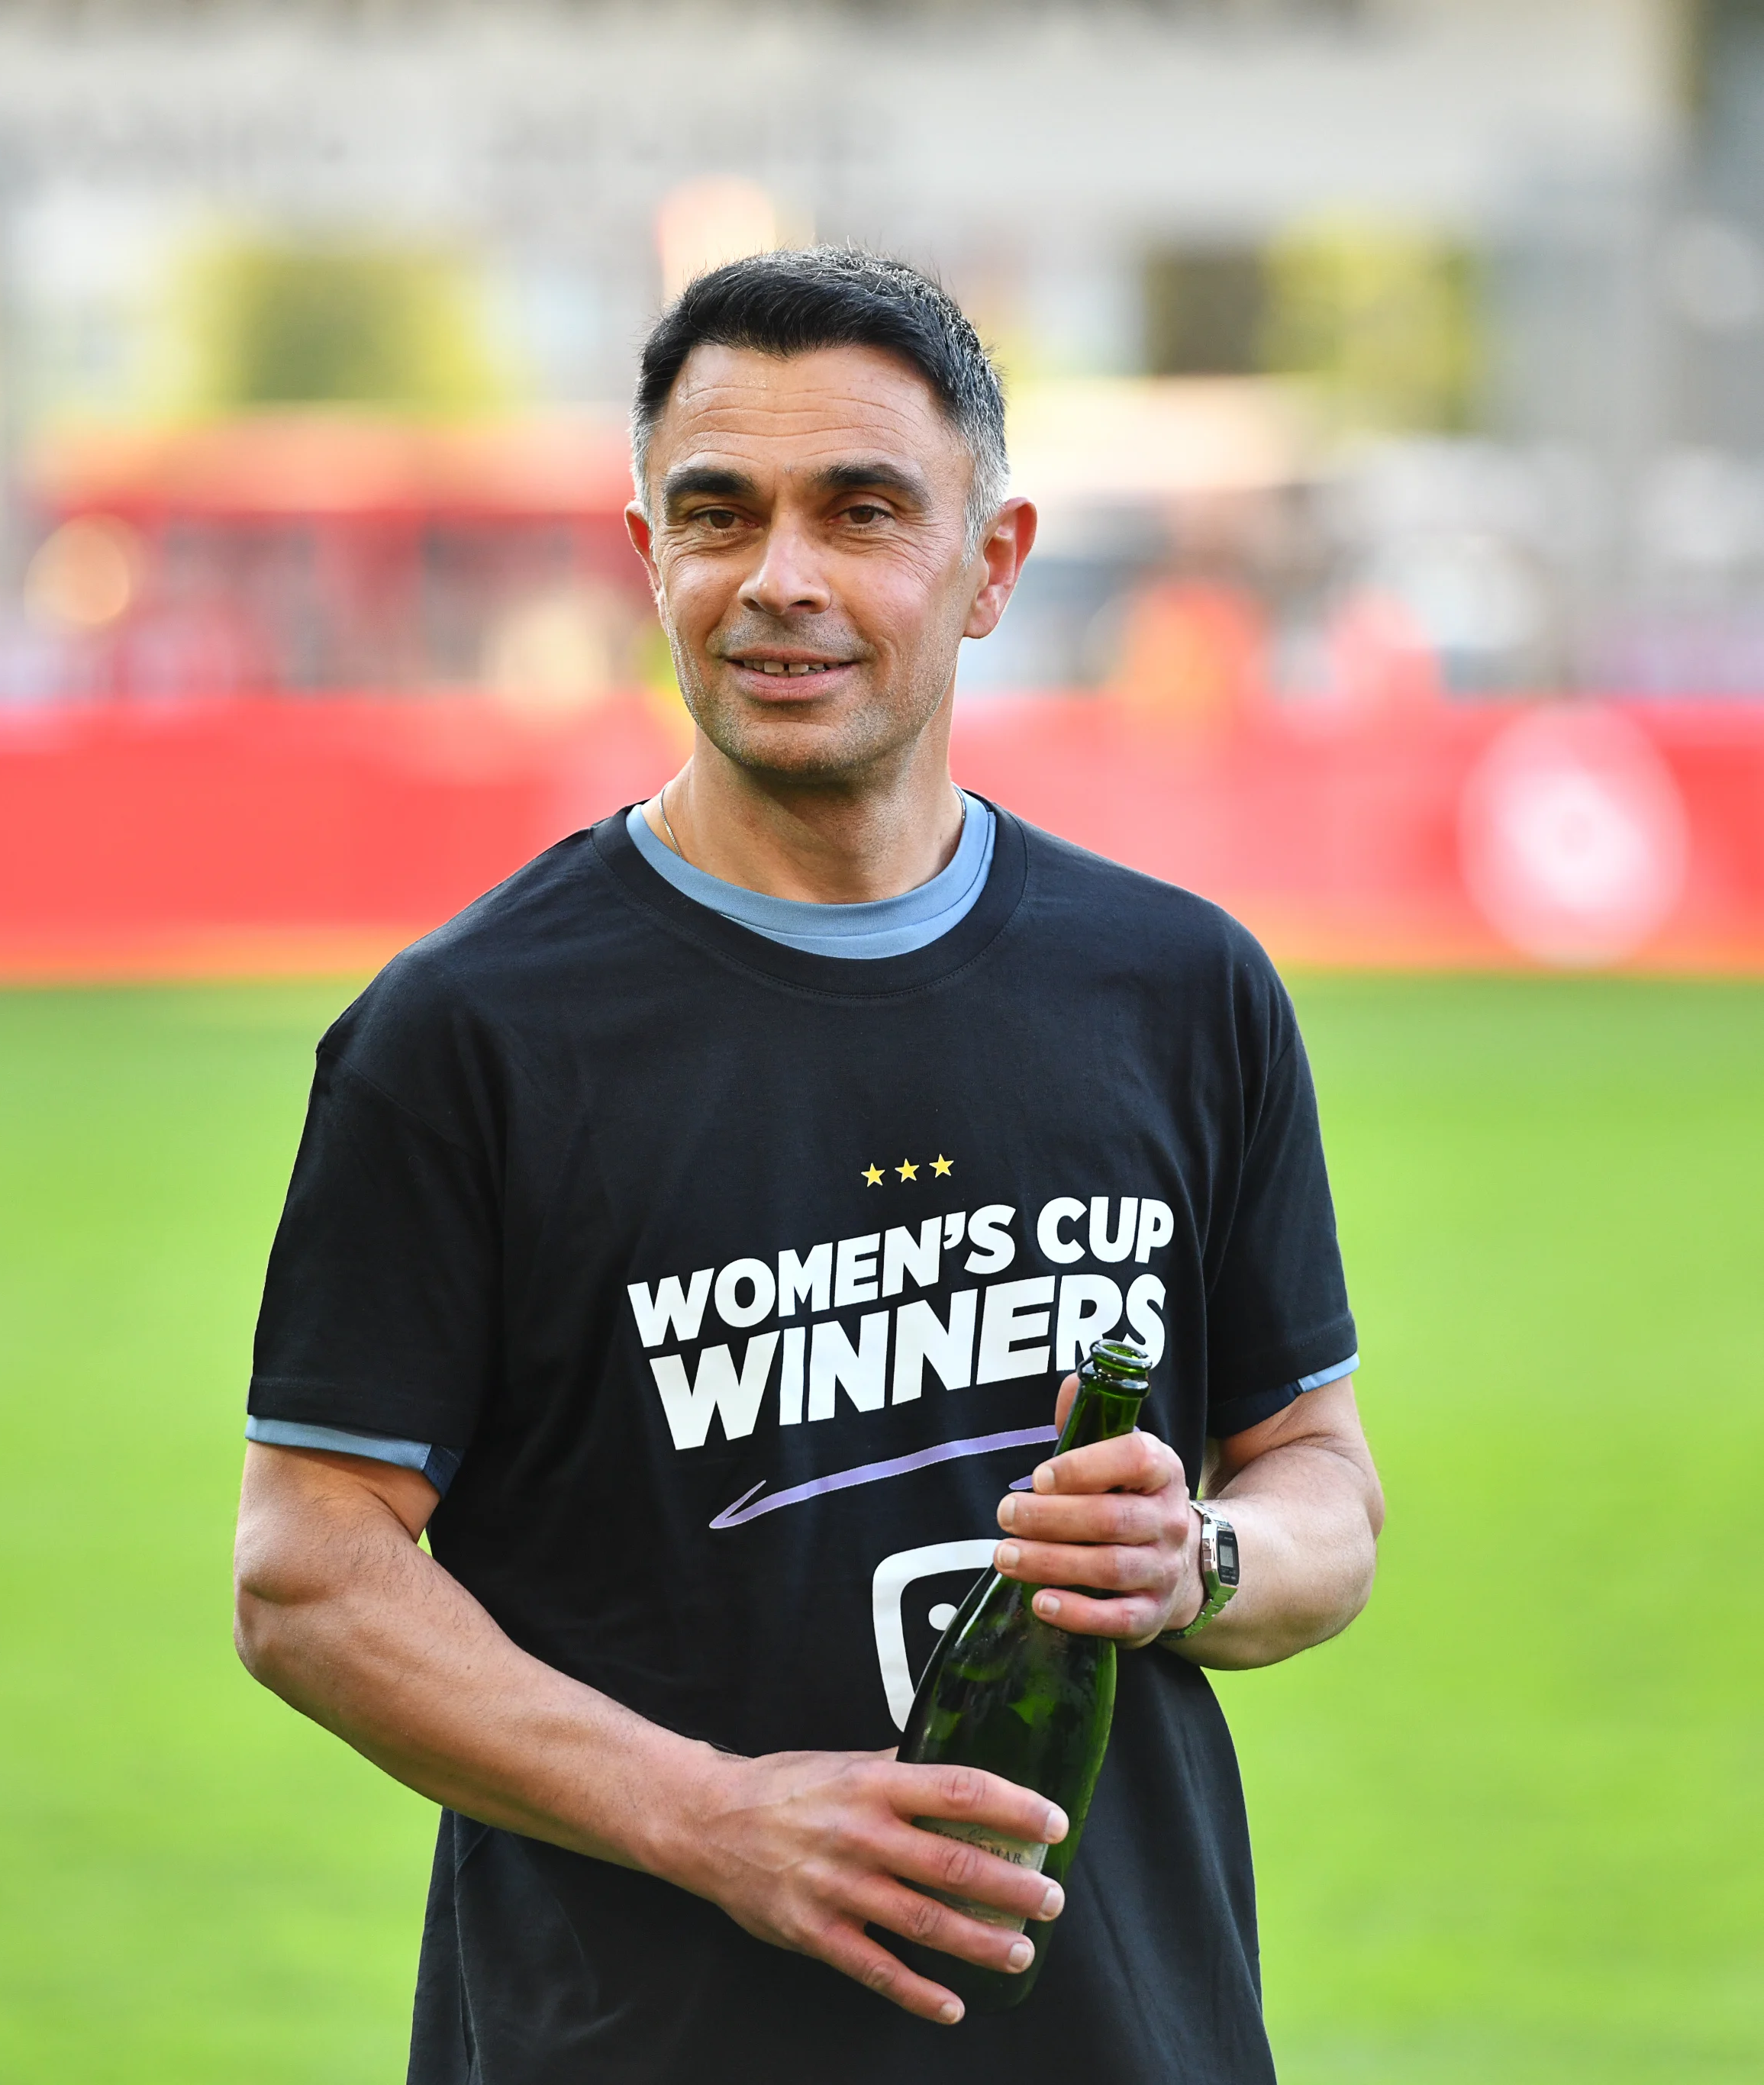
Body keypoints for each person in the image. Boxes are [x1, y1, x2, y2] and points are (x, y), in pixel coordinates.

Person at [233, 248, 1384, 2085]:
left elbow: (1321, 1487)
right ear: (648, 558)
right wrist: (714, 1818)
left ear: (991, 564)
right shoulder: (463, 1034)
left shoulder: (1178, 987)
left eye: (860, 512)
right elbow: (307, 1575)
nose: (780, 579)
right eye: (718, 514)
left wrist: (1203, 1556)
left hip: (1121, 2036)